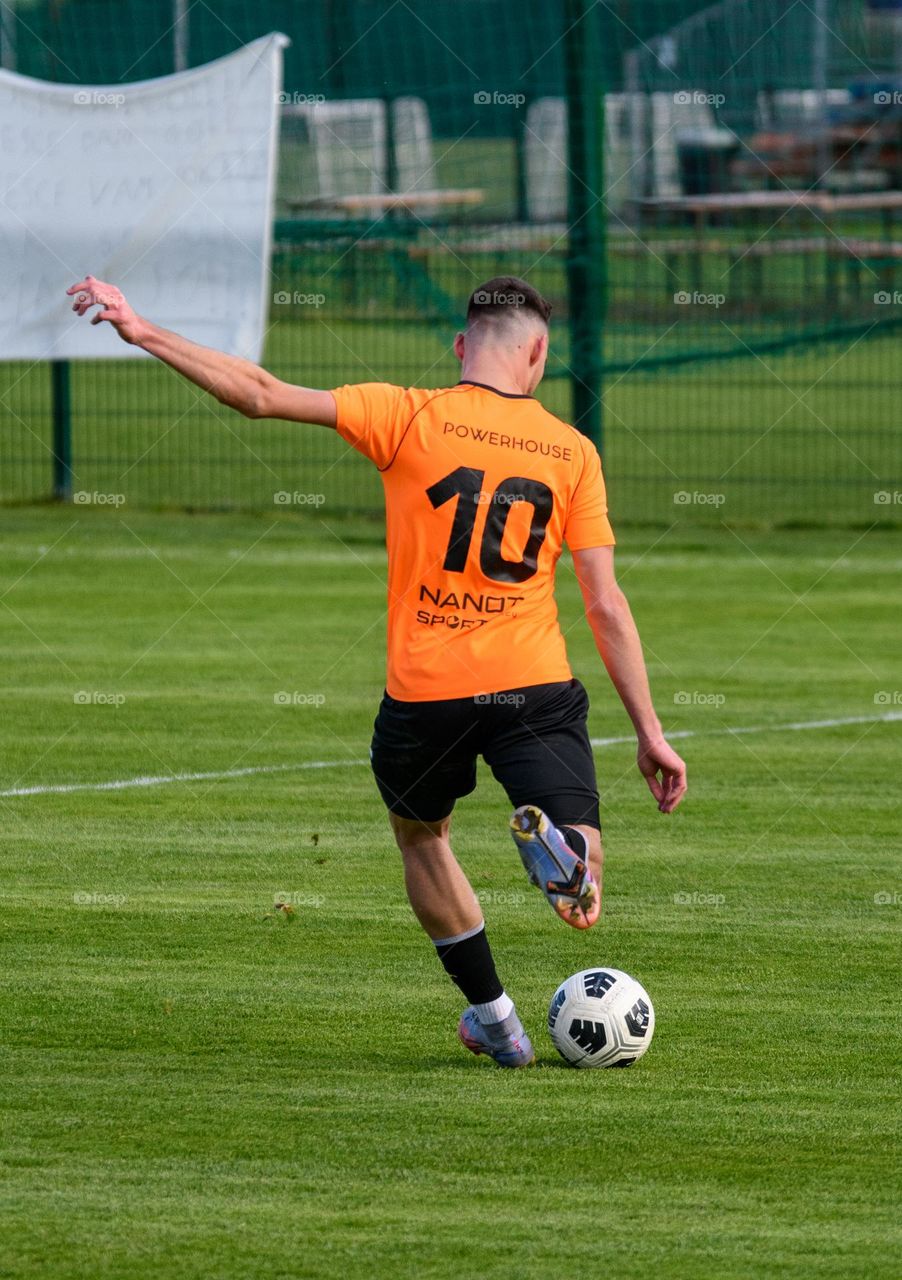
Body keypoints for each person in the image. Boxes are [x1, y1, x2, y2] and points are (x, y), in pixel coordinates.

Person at [67, 272, 687, 1068]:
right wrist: (651, 733)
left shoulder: (407, 413)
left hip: (425, 697)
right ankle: (566, 850)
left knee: (424, 840)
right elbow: (604, 603)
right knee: (587, 877)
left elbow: (257, 393)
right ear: (538, 353)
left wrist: (142, 328)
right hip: (532, 686)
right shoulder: (572, 452)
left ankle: (496, 1019)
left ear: (462, 348)